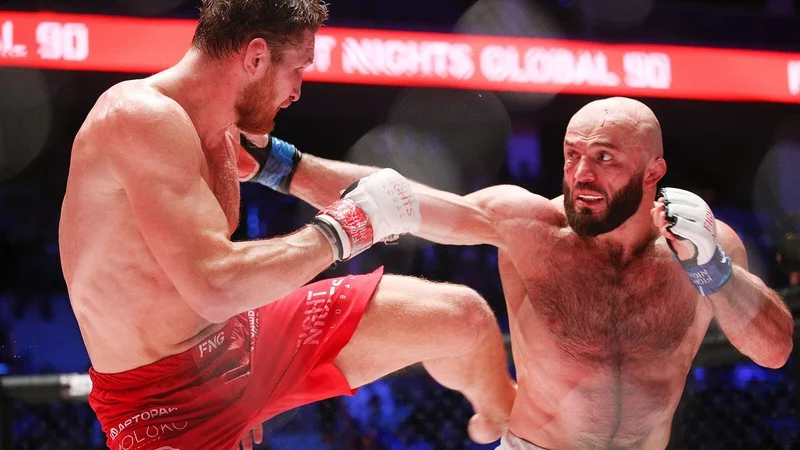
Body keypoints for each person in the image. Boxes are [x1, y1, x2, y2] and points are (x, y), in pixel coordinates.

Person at [58, 1, 517, 449]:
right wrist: (345, 227)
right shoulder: (139, 117)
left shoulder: (223, 131)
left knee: (464, 317)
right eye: (298, 68)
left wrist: (492, 224)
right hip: (162, 405)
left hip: (235, 340)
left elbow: (358, 188)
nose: (298, 90)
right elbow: (214, 286)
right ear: (256, 57)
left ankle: (520, 439)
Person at [240, 96, 794, 449]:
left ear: (654, 171)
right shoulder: (530, 226)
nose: (581, 173)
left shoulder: (703, 248)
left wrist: (713, 270)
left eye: (604, 157)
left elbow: (774, 350)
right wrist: (277, 164)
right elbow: (392, 199)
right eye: (572, 154)